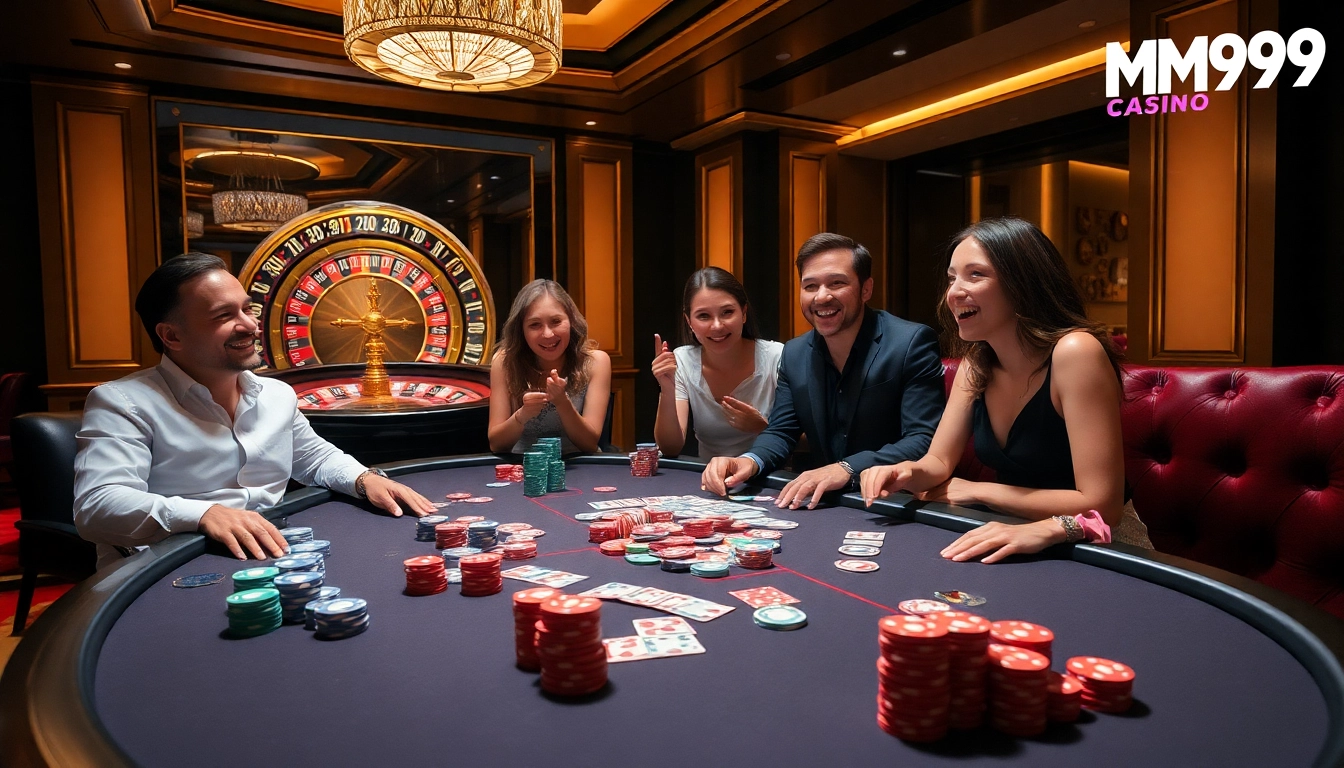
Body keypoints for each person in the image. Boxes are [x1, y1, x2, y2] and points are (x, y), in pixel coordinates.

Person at [74, 253, 435, 569]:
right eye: (223, 315)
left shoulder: (276, 395)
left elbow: (313, 458)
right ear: (171, 337)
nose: (248, 325)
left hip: (266, 551)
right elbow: (97, 506)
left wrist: (364, 479)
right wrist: (204, 514)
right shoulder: (122, 402)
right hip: (161, 568)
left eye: (247, 308)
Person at [859, 216, 1152, 562]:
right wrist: (907, 472)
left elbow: (1102, 506)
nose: (954, 292)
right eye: (952, 278)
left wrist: (977, 491)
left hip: (1102, 546)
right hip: (1014, 534)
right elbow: (939, 460)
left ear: (1023, 283)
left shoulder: (1076, 352)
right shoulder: (976, 364)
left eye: (975, 275)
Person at [700, 233, 946, 509]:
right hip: (827, 503)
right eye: (810, 286)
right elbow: (781, 432)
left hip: (898, 501)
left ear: (866, 289)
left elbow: (923, 439)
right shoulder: (794, 353)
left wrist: (847, 467)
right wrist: (748, 460)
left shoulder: (910, 343)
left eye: (837, 283)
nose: (822, 296)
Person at [652, 267, 784, 460]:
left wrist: (762, 428)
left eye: (727, 312)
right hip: (708, 479)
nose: (717, 326)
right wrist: (667, 388)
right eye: (704, 316)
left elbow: (806, 438)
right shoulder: (682, 360)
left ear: (744, 313)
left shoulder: (776, 357)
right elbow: (670, 447)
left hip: (768, 476)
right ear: (689, 321)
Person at [487, 279, 612, 455]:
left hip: (583, 469)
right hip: (524, 470)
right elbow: (496, 444)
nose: (547, 334)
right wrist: (522, 415)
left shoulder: (596, 362)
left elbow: (589, 444)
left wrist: (562, 402)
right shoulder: (504, 362)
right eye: (535, 325)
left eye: (555, 321)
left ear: (572, 321)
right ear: (521, 330)